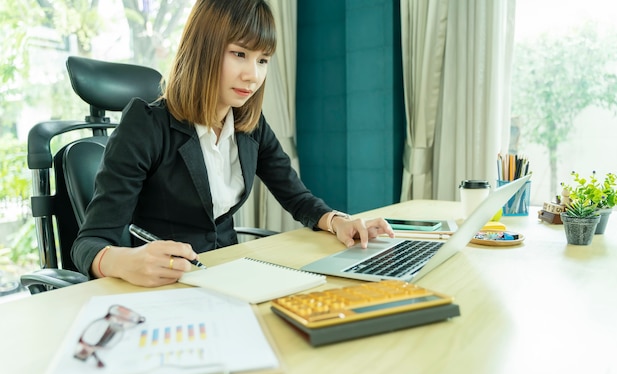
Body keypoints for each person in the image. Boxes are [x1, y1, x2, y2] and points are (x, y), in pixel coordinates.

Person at [71, 0, 394, 287]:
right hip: (165, 287)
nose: (252, 75)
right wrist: (125, 261)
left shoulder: (249, 125)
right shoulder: (146, 125)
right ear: (203, 49)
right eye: (240, 54)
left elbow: (297, 197)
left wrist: (337, 221)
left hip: (230, 278)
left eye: (263, 60)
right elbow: (89, 242)